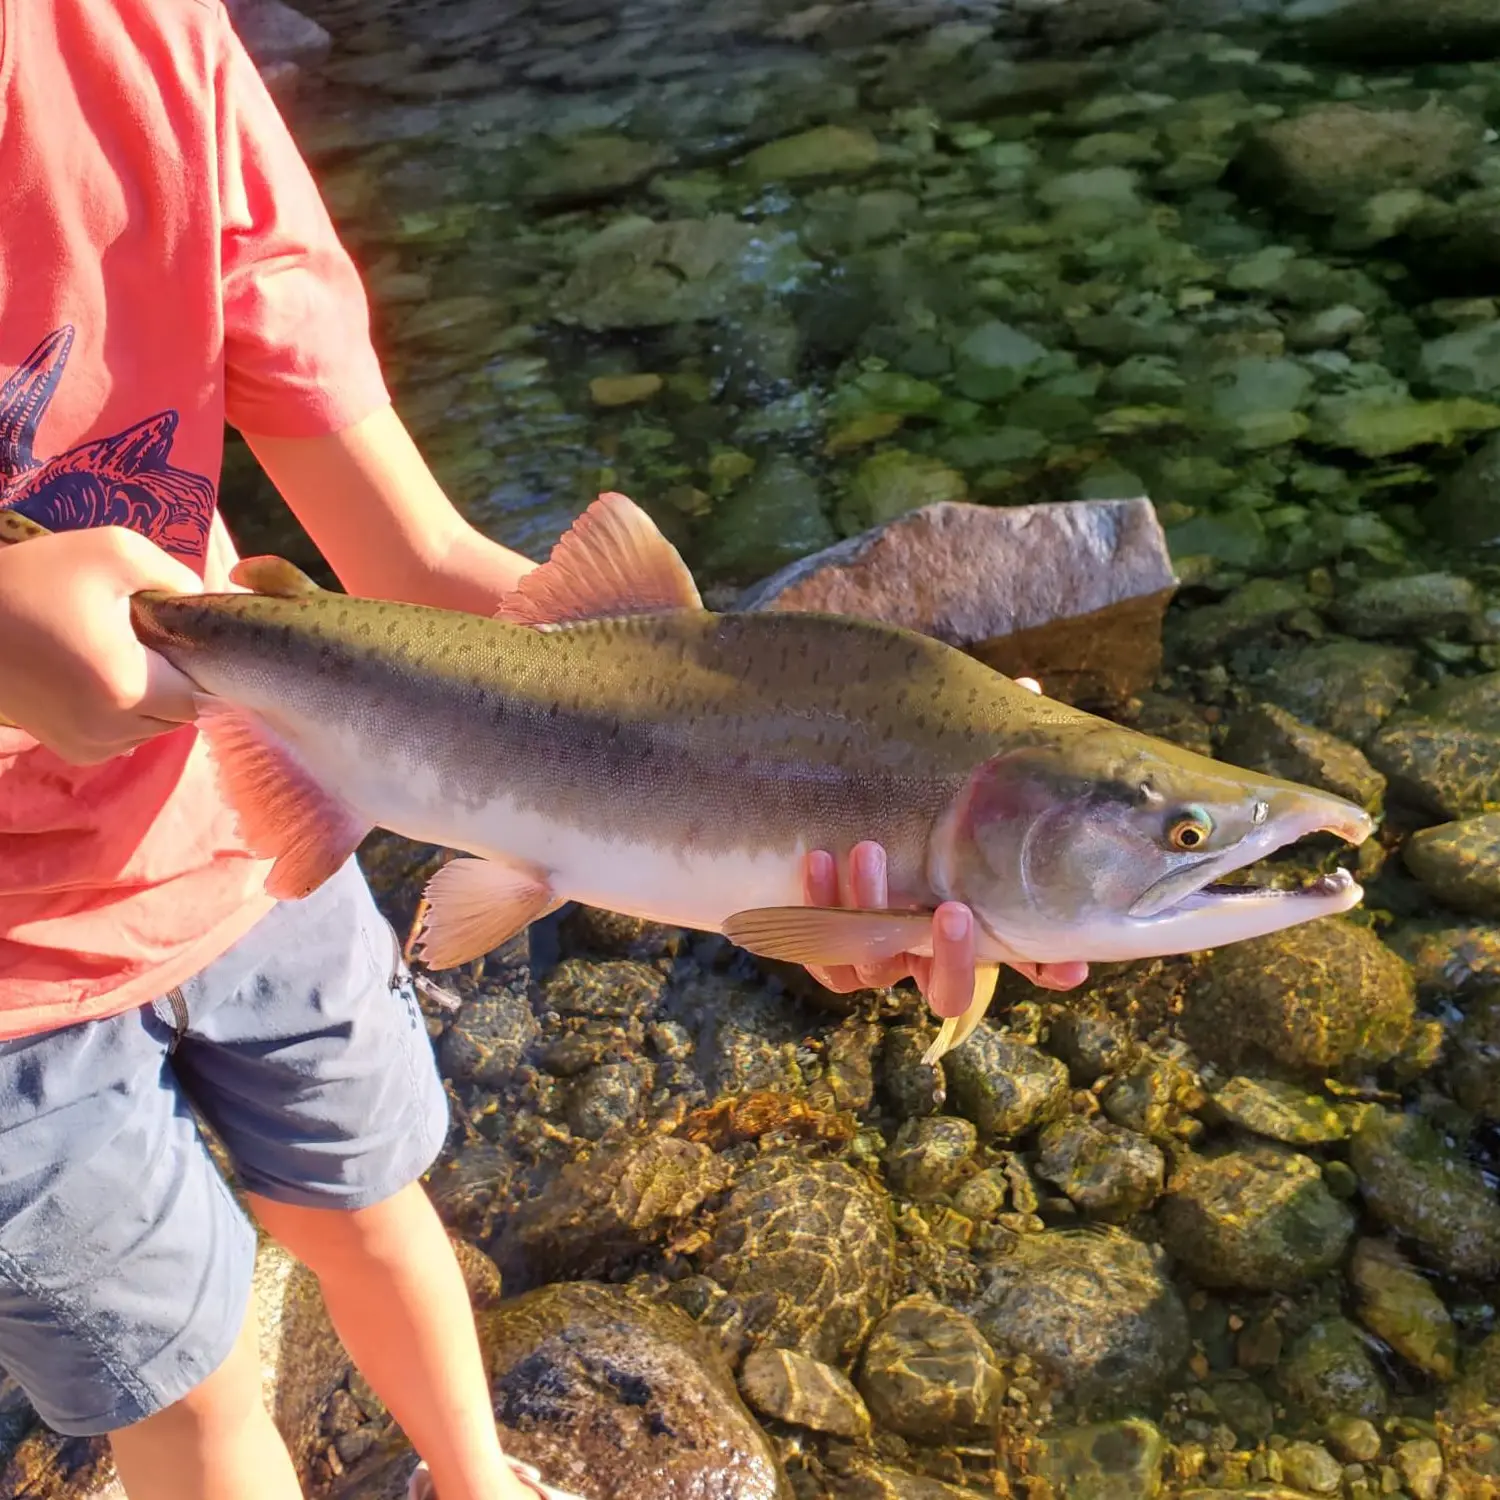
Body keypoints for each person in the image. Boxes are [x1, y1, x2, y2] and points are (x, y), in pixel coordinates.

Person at [0, 4, 1086, 1498]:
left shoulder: (151, 40)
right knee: (186, 1400)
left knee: (380, 1201)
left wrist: (779, 835)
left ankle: (477, 1476)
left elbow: (423, 556)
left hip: (251, 844)